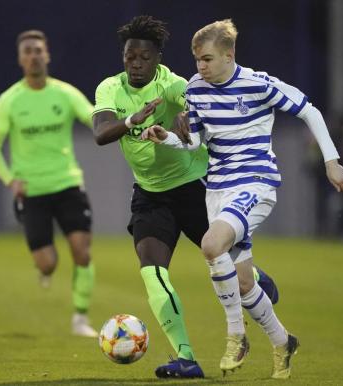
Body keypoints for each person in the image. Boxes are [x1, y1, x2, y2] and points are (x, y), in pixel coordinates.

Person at [142, 19, 343, 379]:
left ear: (230, 54)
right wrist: (165, 138)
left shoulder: (258, 84)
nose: (201, 67)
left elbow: (310, 111)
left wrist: (331, 163)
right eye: (197, 60)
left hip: (255, 183)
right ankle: (283, 340)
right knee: (243, 283)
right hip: (218, 189)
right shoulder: (195, 89)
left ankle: (236, 334)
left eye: (208, 59)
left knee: (211, 245)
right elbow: (195, 142)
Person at [92, 15, 280, 379]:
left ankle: (255, 279)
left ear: (157, 58)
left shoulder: (174, 83)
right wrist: (132, 120)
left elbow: (191, 103)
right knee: (152, 273)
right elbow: (101, 133)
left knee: (223, 258)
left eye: (143, 57)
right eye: (129, 56)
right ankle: (186, 358)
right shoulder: (110, 88)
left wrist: (185, 116)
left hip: (195, 189)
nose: (135, 63)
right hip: (149, 195)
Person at [0, 30, 98, 338]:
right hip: (31, 191)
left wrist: (123, 122)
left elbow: (93, 118)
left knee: (82, 252)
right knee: (48, 263)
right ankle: (44, 270)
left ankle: (80, 318)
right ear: (21, 60)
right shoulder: (10, 100)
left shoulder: (65, 93)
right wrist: (11, 180)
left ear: (47, 55)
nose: (34, 55)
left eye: (38, 50)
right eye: (28, 51)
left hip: (67, 183)